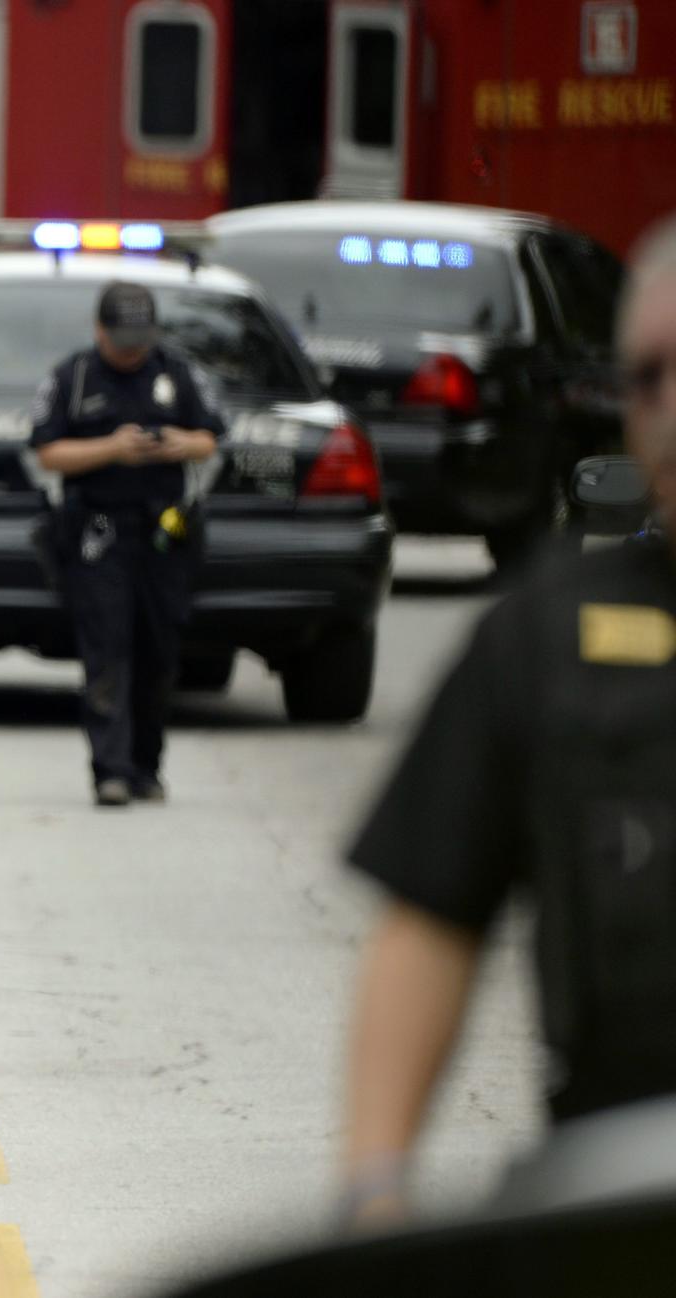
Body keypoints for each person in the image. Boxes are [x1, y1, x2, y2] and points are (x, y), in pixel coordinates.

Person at [340, 215, 676, 1227]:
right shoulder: (545, 632)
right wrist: (374, 1189)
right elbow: (431, 918)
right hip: (621, 1201)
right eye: (649, 379)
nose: (670, 410)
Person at [31, 282, 226, 807]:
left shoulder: (176, 372)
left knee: (159, 652)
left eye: (139, 341)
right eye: (121, 341)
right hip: (99, 530)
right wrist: (112, 449)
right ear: (99, 331)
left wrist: (179, 445)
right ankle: (109, 771)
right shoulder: (71, 378)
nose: (131, 351)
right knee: (106, 650)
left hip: (164, 531)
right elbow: (48, 452)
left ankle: (147, 766)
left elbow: (211, 437)